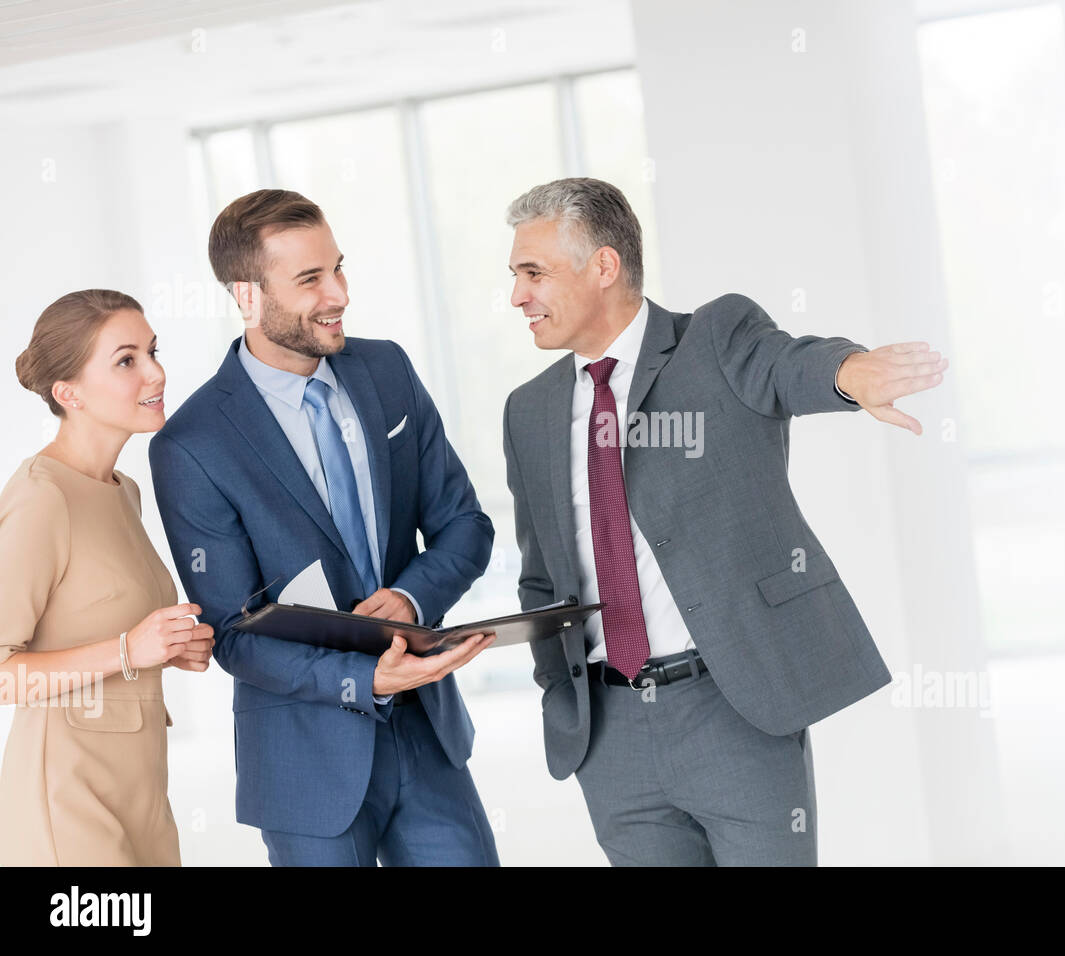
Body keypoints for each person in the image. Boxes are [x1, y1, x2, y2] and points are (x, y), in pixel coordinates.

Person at [501, 177, 948, 865]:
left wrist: (849, 373)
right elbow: (541, 578)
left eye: (534, 273)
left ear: (604, 266)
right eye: (515, 276)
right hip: (609, 736)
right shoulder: (528, 410)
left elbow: (788, 366)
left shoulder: (714, 339)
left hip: (731, 711)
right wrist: (562, 695)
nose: (517, 296)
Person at [150, 189, 499, 866]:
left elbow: (464, 525)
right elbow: (232, 634)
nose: (337, 293)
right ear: (247, 297)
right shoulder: (192, 444)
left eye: (337, 268)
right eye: (310, 279)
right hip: (305, 762)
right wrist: (362, 682)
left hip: (427, 735)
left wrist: (411, 600)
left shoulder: (387, 371)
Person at [0, 289, 215, 866]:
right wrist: (129, 649)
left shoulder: (124, 492)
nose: (156, 372)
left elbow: (100, 625)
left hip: (141, 792)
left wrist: (166, 649)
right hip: (66, 802)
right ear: (69, 394)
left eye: (152, 351)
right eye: (127, 360)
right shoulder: (41, 499)